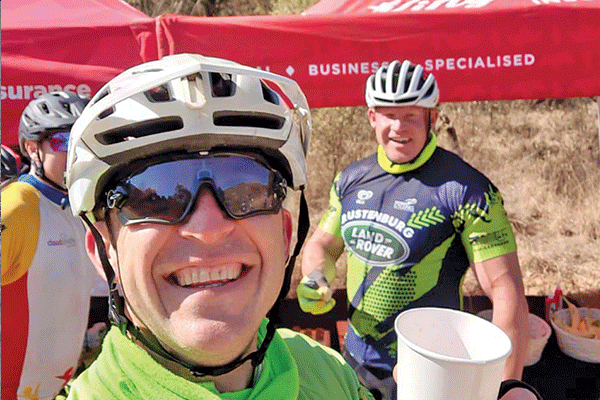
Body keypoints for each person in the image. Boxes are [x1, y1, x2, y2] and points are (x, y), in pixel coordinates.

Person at [60, 53, 375, 399]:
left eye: (245, 188)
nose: (208, 228)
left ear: (285, 237)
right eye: (158, 196)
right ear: (105, 250)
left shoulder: (328, 373)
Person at [298, 60, 532, 400]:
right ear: (372, 117)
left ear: (431, 118)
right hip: (356, 359)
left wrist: (506, 386)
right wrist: (316, 277)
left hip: (432, 370)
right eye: (389, 115)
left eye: (411, 116)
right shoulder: (350, 179)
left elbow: (506, 290)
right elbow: (323, 244)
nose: (399, 127)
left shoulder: (467, 190)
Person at [1, 92, 98, 400]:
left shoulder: (76, 208)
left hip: (50, 389)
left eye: (83, 140)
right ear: (32, 149)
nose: (76, 152)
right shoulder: (17, 206)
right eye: (64, 141)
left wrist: (83, 341)